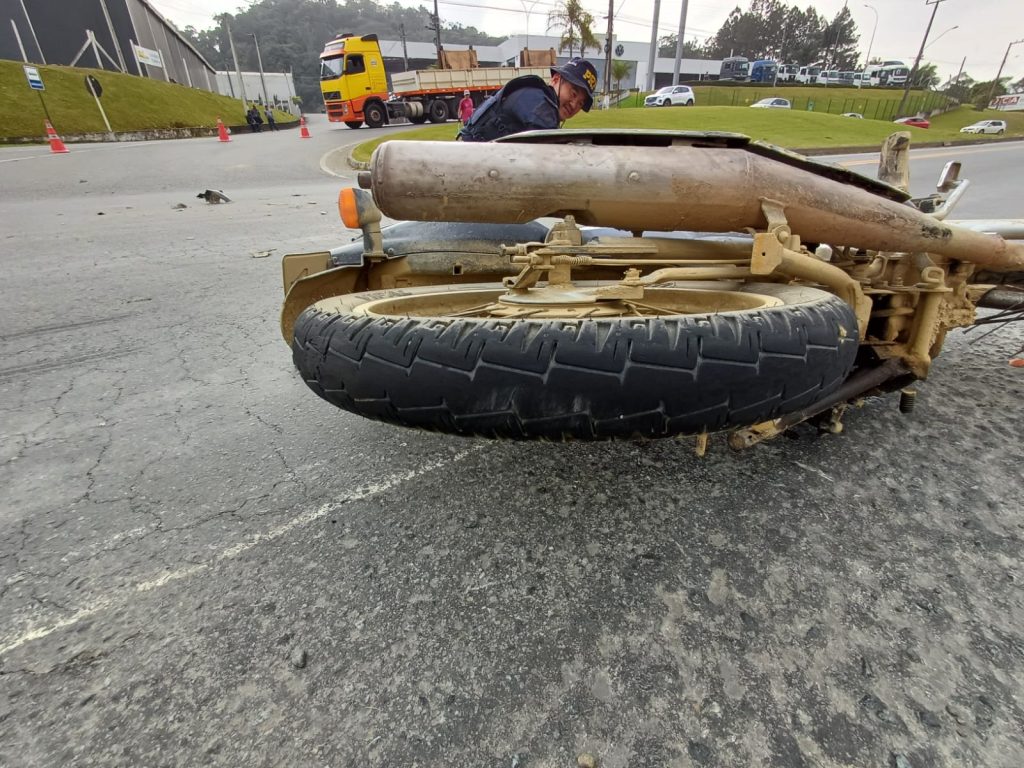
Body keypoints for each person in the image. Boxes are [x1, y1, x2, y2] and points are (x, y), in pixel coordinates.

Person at [458, 57, 597, 142]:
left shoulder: (535, 94)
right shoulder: (541, 105)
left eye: (580, 103)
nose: (574, 105)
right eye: (573, 94)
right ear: (555, 79)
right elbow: (546, 163)